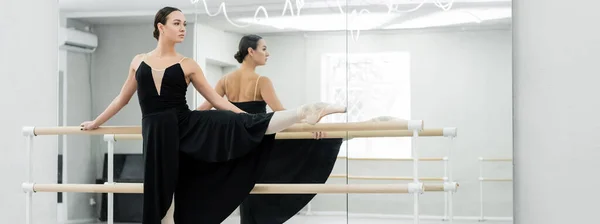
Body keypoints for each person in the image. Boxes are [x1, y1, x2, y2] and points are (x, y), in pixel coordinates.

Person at [79, 6, 346, 224]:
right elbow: (122, 99)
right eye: (177, 23)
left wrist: (246, 118)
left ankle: (303, 112)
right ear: (160, 27)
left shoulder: (188, 64)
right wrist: (95, 122)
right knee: (162, 194)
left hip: (185, 125)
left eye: (184, 23)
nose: (183, 28)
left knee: (234, 133)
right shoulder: (138, 61)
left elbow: (216, 100)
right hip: (156, 134)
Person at [196, 34, 344, 224]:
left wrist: (179, 119)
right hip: (258, 144)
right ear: (251, 51)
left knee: (247, 189)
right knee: (264, 187)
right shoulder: (261, 81)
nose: (268, 54)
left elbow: (203, 110)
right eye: (264, 49)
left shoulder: (225, 80)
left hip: (237, 146)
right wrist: (309, 127)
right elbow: (281, 114)